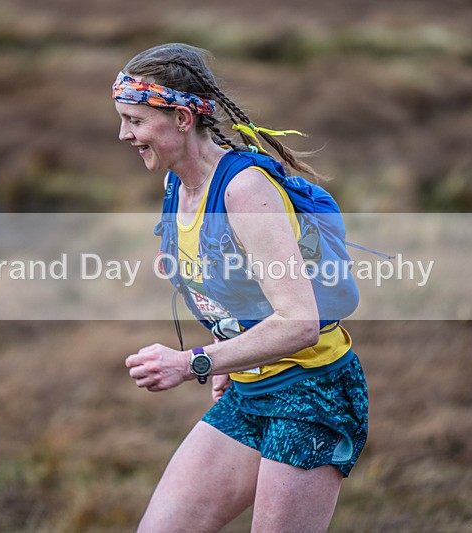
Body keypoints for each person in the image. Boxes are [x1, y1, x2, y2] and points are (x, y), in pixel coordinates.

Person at [115, 43, 368, 532]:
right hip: (251, 392)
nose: (123, 133)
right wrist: (232, 355)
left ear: (184, 118)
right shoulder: (177, 185)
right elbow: (233, 288)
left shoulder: (243, 190)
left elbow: (300, 324)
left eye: (135, 120)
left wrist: (192, 363)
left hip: (311, 394)